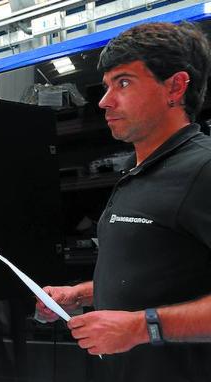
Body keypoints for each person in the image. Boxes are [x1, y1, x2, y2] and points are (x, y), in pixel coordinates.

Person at [35, 22, 211, 381]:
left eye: (124, 83)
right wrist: (83, 294)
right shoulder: (138, 172)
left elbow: (144, 316)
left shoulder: (203, 169)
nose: (104, 101)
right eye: (107, 86)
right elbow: (163, 277)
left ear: (175, 87)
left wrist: (140, 328)